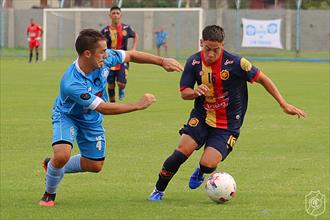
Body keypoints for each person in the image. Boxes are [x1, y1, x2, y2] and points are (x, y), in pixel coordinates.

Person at [148, 25, 306, 201]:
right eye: (207, 49)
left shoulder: (237, 63)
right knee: (180, 153)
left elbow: (263, 79)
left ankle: (202, 171)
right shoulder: (193, 62)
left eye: (216, 50)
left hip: (228, 124)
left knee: (208, 164)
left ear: (223, 45)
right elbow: (184, 92)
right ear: (201, 43)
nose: (211, 54)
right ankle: (158, 190)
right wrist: (195, 92)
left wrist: (283, 104)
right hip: (202, 116)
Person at [38, 29, 183, 207]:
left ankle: (53, 166)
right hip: (67, 115)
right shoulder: (72, 83)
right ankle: (49, 194)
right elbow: (104, 108)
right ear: (87, 53)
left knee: (95, 165)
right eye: (102, 51)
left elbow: (130, 55)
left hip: (90, 118)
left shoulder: (105, 58)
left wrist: (162, 61)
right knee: (62, 154)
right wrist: (137, 105)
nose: (106, 55)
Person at [100, 6, 139, 102]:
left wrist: (133, 49)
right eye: (113, 13)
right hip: (109, 59)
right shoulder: (105, 31)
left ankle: (122, 89)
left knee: (121, 83)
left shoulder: (126, 28)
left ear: (120, 15)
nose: (115, 15)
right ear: (110, 15)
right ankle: (113, 103)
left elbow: (135, 35)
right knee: (111, 84)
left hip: (123, 58)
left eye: (117, 13)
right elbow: (99, 42)